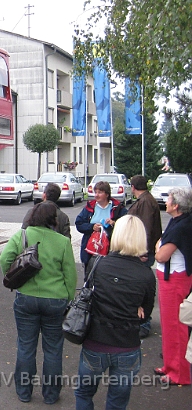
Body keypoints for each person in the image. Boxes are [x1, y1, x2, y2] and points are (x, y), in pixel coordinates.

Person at [74, 215, 157, 409]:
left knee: (84, 393)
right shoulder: (146, 275)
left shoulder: (98, 264)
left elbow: (89, 296)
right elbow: (147, 311)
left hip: (96, 341)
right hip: (127, 345)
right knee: (117, 401)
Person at [0, 202, 77, 404]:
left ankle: (24, 392)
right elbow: (70, 276)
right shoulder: (62, 242)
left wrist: (15, 279)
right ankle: (51, 395)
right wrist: (68, 298)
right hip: (55, 300)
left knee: (26, 346)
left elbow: (4, 260)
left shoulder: (22, 235)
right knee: (53, 349)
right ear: (53, 219)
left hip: (26, 297)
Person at [154, 187, 192, 385]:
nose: (166, 201)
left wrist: (158, 246)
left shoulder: (180, 226)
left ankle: (180, 373)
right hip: (171, 279)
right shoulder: (178, 222)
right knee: (169, 326)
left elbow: (160, 254)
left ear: (176, 205)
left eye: (169, 199)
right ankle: (170, 366)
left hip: (175, 281)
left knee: (176, 327)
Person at [127, 174, 162, 338]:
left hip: (142, 251)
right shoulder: (146, 200)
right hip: (141, 250)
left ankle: (144, 323)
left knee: (142, 288)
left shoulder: (146, 202)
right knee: (139, 286)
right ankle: (139, 320)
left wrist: (142, 250)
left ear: (133, 187)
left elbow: (146, 228)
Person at [76, 180, 127, 268]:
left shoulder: (118, 208)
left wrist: (114, 223)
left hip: (110, 248)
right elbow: (79, 224)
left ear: (107, 194)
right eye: (95, 192)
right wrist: (92, 227)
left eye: (100, 192)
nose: (96, 195)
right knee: (90, 274)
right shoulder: (90, 207)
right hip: (91, 248)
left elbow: (127, 224)